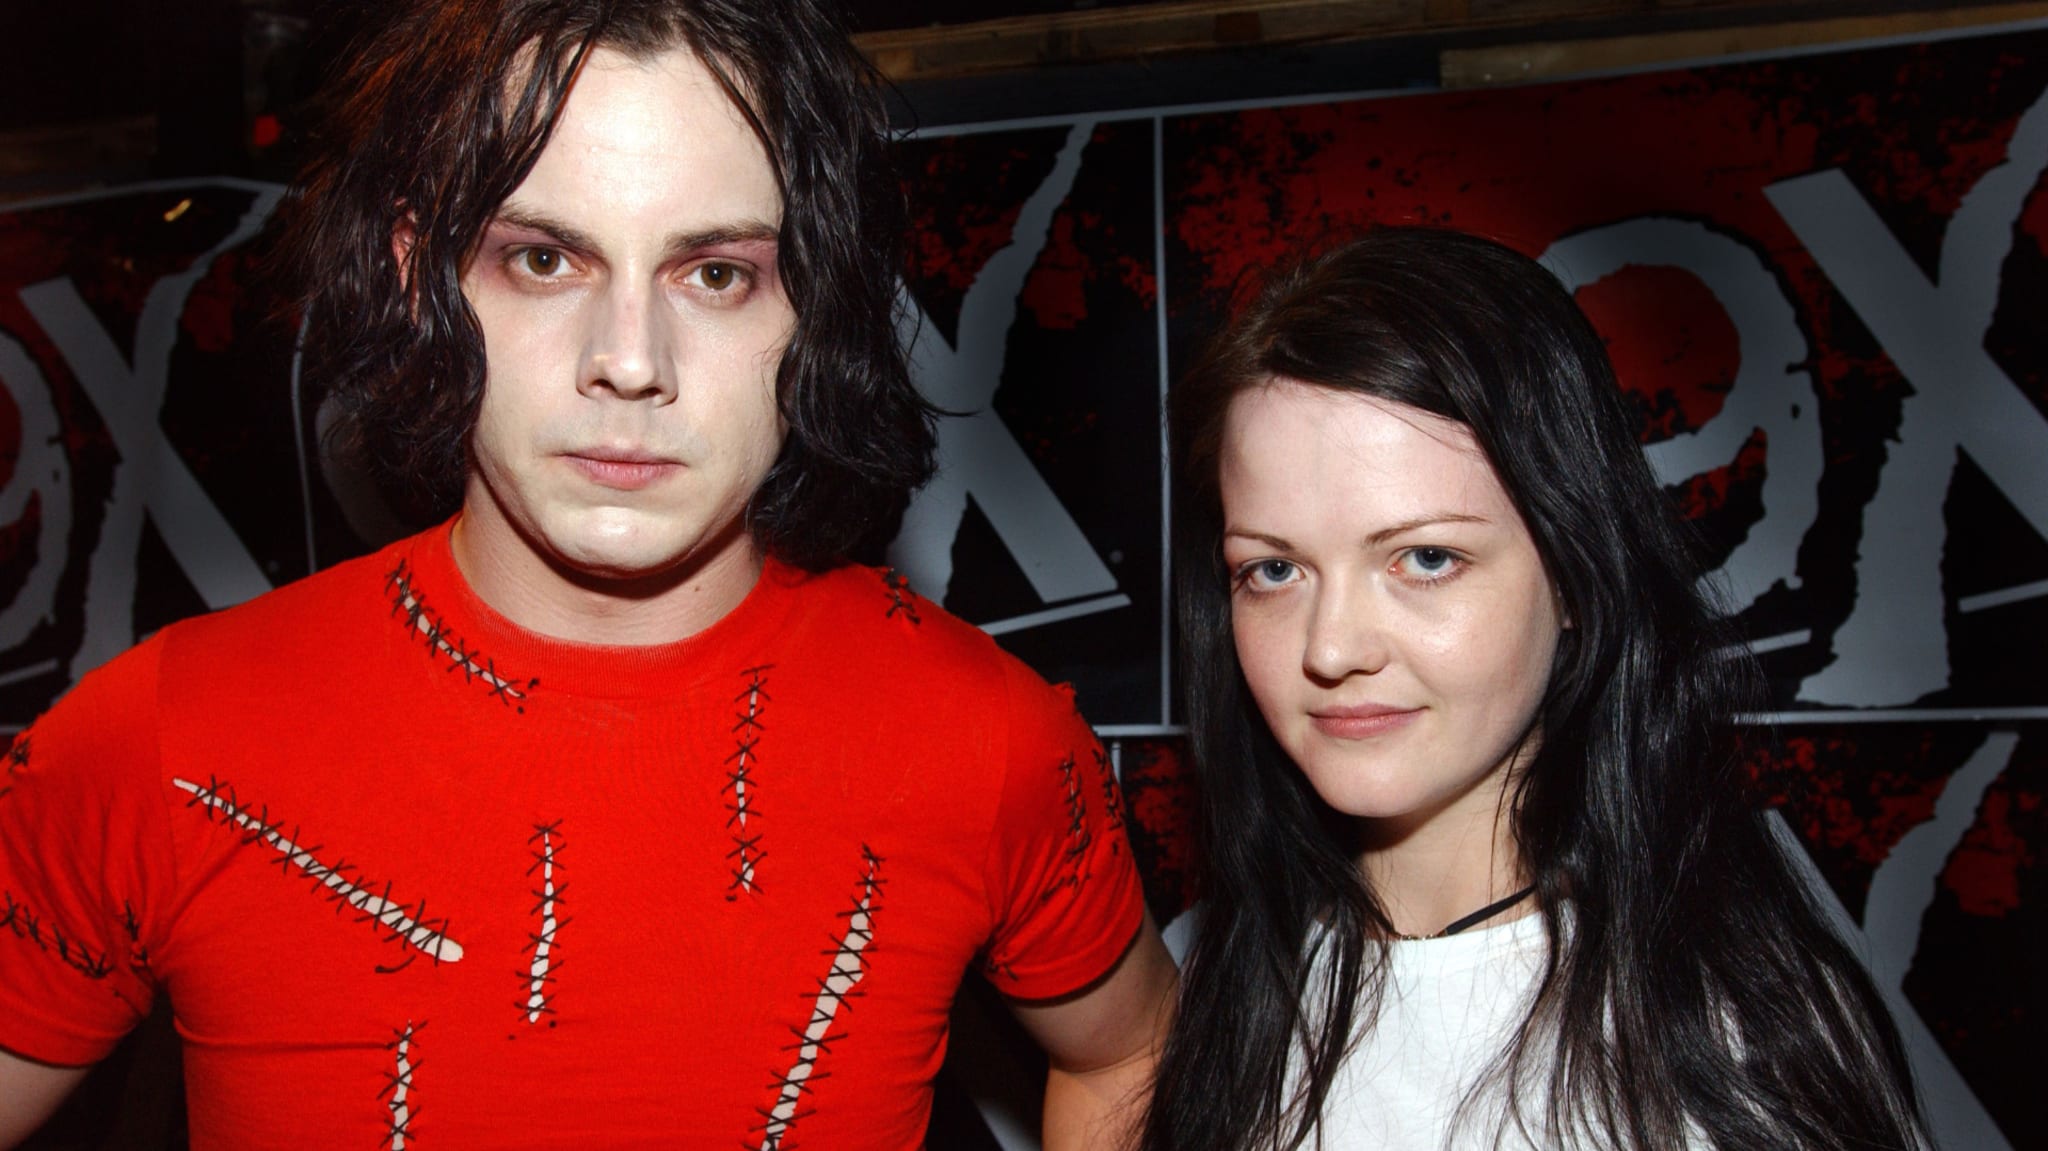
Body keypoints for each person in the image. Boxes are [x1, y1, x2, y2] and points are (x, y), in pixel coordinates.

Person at [0, 0, 1175, 1146]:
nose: (627, 360)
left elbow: (1127, 1050)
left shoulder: (983, 738)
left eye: (715, 274)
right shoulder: (163, 739)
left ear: (814, 300)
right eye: (544, 258)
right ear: (419, 270)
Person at [1142, 227, 1923, 1151]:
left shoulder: (1738, 1048)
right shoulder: (1230, 996)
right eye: (1274, 570)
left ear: (1577, 574)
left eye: (1426, 558)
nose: (1332, 646)